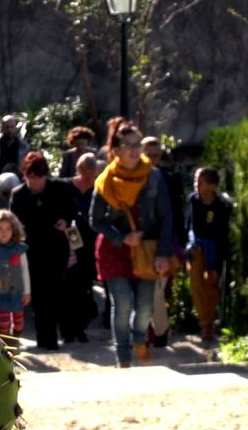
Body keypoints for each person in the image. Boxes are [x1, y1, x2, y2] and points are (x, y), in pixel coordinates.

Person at [90, 118, 174, 368]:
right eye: (128, 145)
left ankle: (140, 339)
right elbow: (96, 220)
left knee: (146, 307)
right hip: (115, 250)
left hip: (147, 249)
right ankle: (123, 355)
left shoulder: (154, 177)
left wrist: (163, 252)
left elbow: (166, 217)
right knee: (123, 302)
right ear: (116, 150)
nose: (135, 150)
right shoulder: (105, 180)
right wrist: (121, 237)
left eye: (138, 144)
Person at [10, 151, 77, 350]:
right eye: (31, 177)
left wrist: (66, 221)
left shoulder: (60, 188)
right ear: (25, 176)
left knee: (56, 293)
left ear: (45, 175)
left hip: (56, 250)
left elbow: (73, 210)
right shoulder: (19, 194)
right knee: (38, 297)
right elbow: (13, 222)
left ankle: (60, 334)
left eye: (39, 177)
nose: (35, 182)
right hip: (32, 252)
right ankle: (45, 339)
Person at [142, 136, 184, 347]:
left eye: (156, 155)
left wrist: (174, 245)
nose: (152, 159)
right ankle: (151, 333)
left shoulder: (168, 180)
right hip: (140, 244)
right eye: (148, 154)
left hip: (164, 243)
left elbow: (175, 214)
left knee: (158, 291)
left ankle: (160, 331)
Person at [185, 166, 231, 342]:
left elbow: (221, 234)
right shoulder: (193, 200)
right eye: (196, 180)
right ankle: (205, 322)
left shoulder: (220, 206)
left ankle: (211, 321)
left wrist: (216, 263)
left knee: (211, 285)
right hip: (196, 246)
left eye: (200, 181)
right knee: (196, 284)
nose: (196, 184)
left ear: (212, 186)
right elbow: (190, 224)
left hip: (214, 248)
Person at [61, 152, 101, 343]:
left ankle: (80, 327)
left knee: (85, 287)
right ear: (80, 170)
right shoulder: (66, 186)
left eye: (93, 173)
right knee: (68, 287)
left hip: (91, 243)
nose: (90, 176)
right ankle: (68, 329)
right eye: (87, 172)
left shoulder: (97, 188)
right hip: (70, 240)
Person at [0, 209, 31, 338]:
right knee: (4, 323)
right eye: (0, 229)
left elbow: (24, 270)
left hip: (17, 292)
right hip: (0, 292)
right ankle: (7, 344)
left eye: (8, 229)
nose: (4, 233)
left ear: (13, 230)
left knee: (19, 321)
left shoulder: (19, 249)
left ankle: (16, 337)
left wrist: (27, 291)